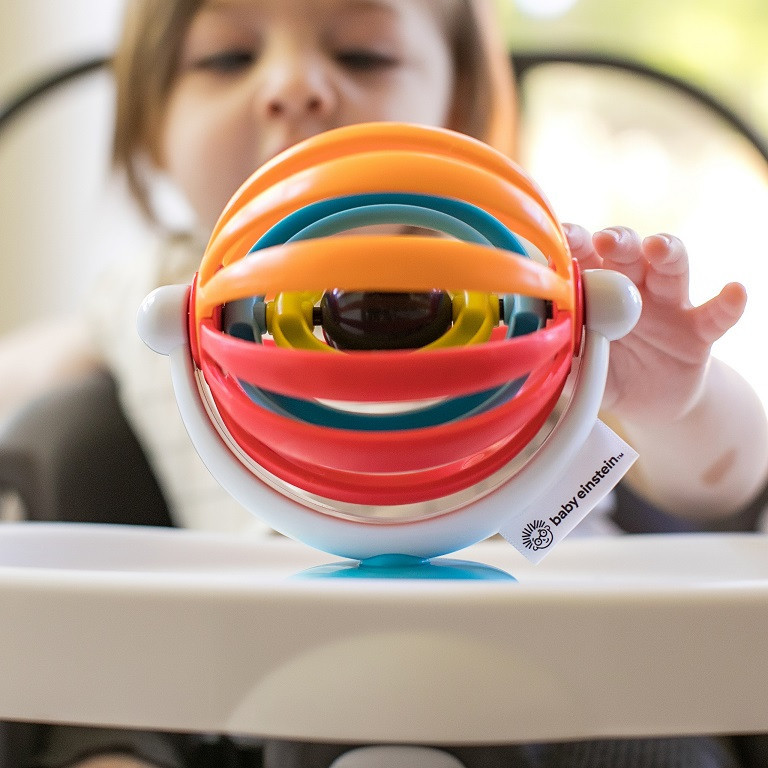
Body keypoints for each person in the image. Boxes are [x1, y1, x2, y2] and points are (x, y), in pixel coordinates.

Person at [3, 0, 767, 766]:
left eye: (363, 55)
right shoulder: (148, 292)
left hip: (574, 669)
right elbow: (33, 375)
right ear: (151, 128)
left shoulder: (539, 288)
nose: (294, 86)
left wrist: (679, 399)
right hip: (277, 678)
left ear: (459, 108)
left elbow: (723, 489)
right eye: (228, 59)